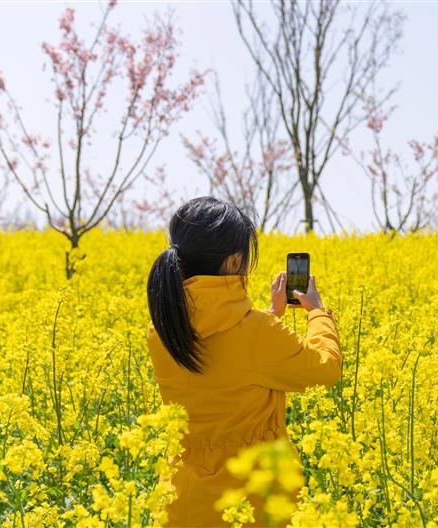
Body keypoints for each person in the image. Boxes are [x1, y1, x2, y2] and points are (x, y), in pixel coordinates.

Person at [145, 197, 341, 527]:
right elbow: (325, 369)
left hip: (182, 501)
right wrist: (317, 312)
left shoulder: (163, 327)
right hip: (251, 500)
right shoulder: (255, 333)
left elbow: (224, 359)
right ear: (235, 259)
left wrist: (270, 316)